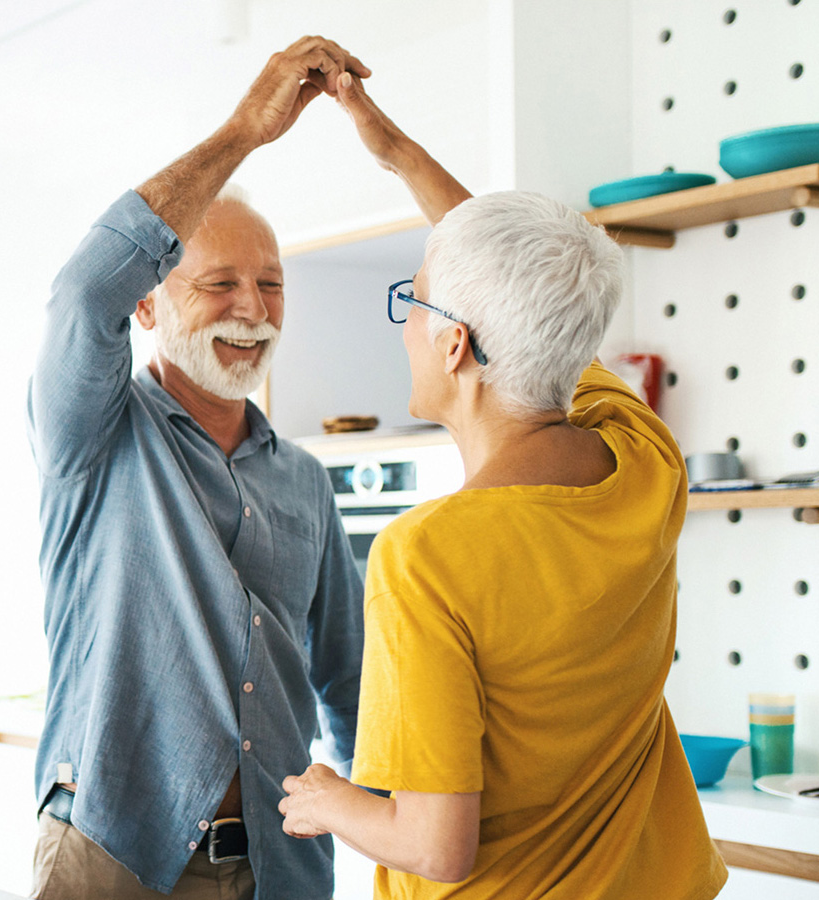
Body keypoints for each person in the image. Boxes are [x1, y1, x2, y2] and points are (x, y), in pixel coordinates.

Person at [278, 74, 729, 900]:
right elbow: (538, 296)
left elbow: (434, 845)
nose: (406, 325)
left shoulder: (429, 556)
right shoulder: (645, 457)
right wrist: (401, 156)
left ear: (453, 344)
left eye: (411, 303)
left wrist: (328, 801)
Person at [26, 37, 370, 900]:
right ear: (148, 303)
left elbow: (350, 676)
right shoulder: (96, 434)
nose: (252, 309)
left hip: (282, 865)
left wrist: (404, 819)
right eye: (218, 284)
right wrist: (248, 129)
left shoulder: (304, 480)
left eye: (271, 284)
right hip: (113, 853)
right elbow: (80, 295)